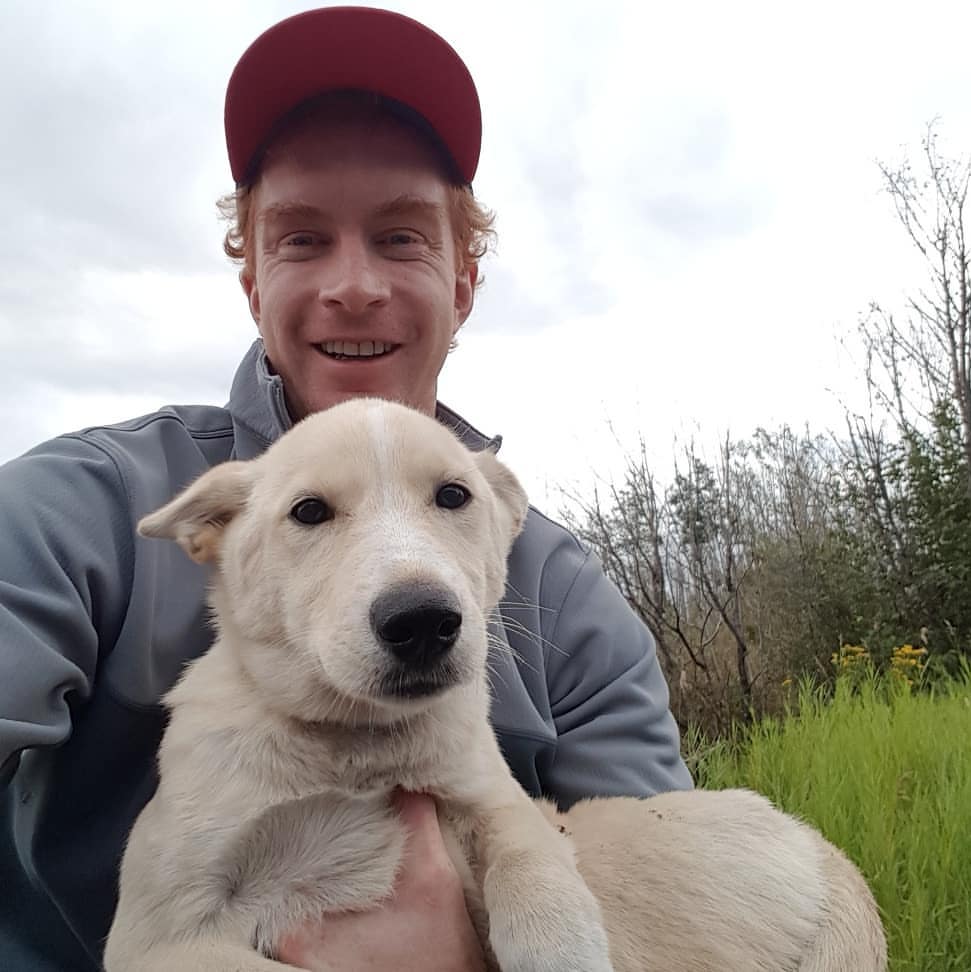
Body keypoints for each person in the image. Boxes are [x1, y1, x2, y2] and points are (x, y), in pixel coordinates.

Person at [0, 7, 692, 970]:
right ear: (252, 281)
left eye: (403, 238)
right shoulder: (81, 508)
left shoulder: (571, 602)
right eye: (303, 239)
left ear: (464, 284)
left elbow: (663, 878)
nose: (355, 286)